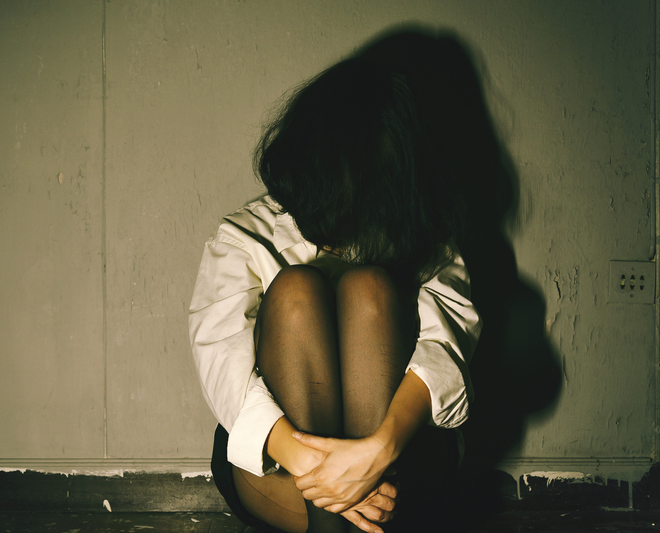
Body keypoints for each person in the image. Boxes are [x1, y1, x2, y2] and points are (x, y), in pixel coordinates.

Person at [188, 56, 481, 533]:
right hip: (282, 468)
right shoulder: (244, 235)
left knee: (370, 290)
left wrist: (374, 454)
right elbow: (221, 363)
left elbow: (444, 353)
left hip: (398, 465)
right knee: (297, 293)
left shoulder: (424, 234)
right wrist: (322, 471)